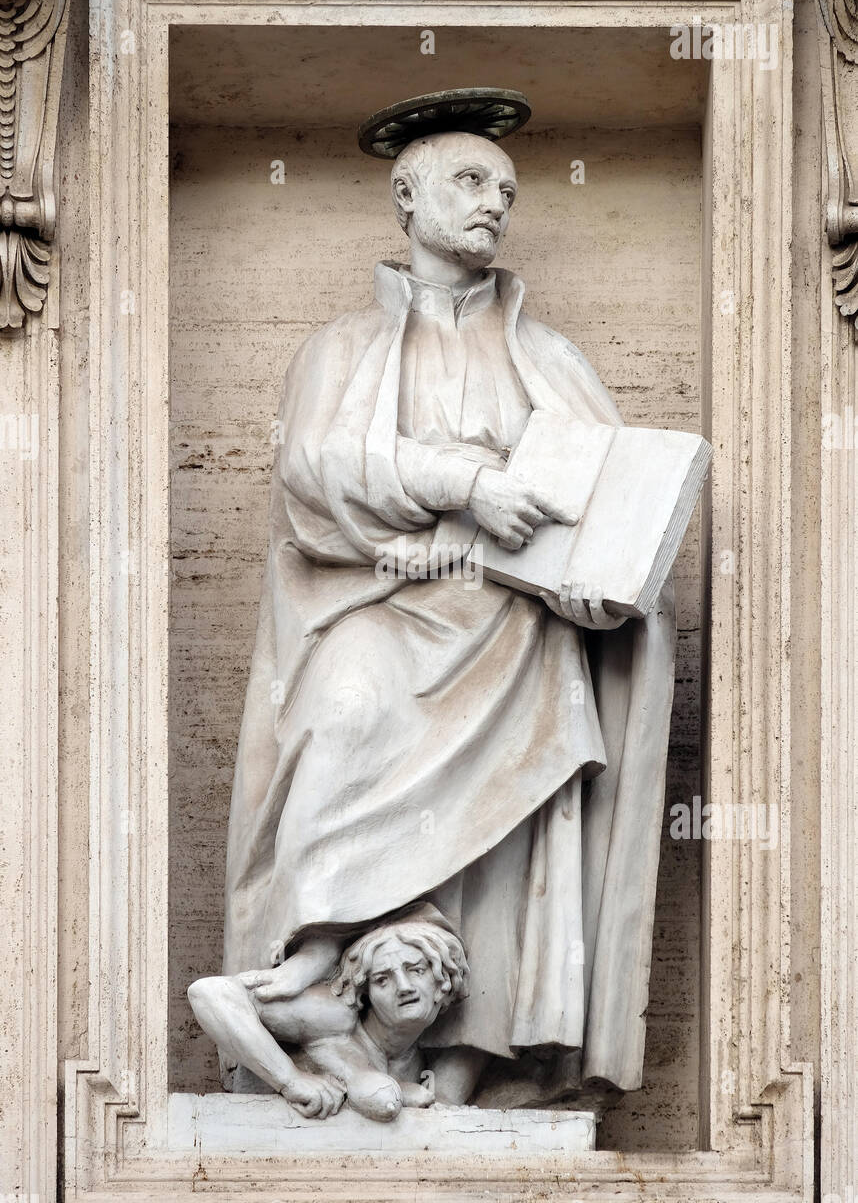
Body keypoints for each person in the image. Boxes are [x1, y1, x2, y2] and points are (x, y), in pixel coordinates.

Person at [220, 90, 675, 1109]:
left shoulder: (549, 359)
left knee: (513, 820)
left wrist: (609, 586)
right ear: (406, 196)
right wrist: (464, 482)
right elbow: (315, 470)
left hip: (515, 633)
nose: (495, 206)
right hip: (378, 614)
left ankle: (470, 1065)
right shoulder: (343, 347)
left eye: (506, 191)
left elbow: (610, 512)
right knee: (336, 715)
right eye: (471, 182)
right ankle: (302, 973)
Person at [189, 911, 468, 1120]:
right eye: (383, 979)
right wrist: (290, 1080)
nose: (404, 987)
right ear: (365, 991)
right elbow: (209, 993)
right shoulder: (334, 1014)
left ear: (444, 979)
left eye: (416, 970)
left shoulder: (422, 1056)